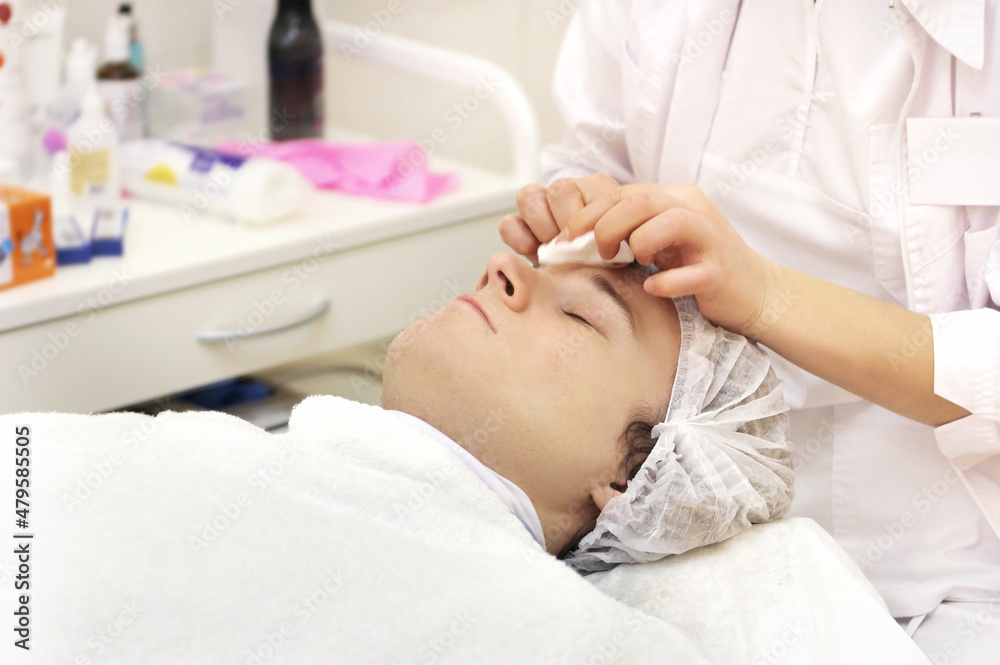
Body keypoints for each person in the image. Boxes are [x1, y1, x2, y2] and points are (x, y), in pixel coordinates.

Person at [499, 1, 1000, 662]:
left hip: (960, 580)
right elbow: (590, 162)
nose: (500, 275)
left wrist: (765, 296)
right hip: (685, 553)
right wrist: (579, 213)